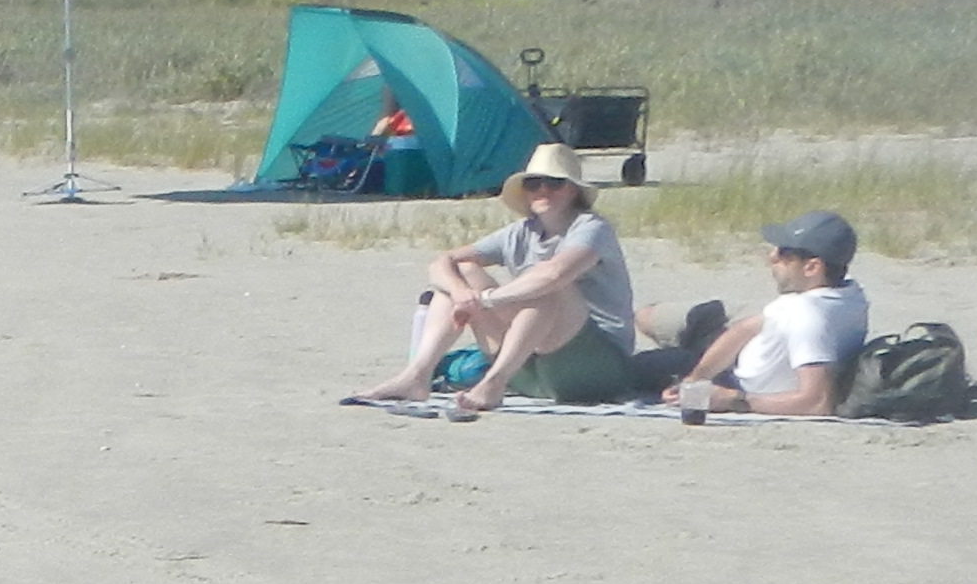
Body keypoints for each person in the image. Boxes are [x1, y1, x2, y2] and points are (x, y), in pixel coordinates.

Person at [354, 145, 641, 409]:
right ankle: (417, 375)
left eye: (554, 182)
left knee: (545, 286)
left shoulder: (592, 227)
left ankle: (493, 383)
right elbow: (442, 262)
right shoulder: (521, 232)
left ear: (573, 190)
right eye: (533, 183)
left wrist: (486, 300)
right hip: (531, 366)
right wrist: (461, 294)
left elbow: (554, 274)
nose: (543, 190)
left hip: (596, 367)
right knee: (463, 273)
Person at [660, 213, 869, 418]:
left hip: (738, 383)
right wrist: (698, 377)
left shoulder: (808, 315)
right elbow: (745, 329)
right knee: (650, 319)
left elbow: (816, 402)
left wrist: (732, 400)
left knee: (642, 367)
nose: (772, 258)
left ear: (812, 267)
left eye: (784, 255)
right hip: (730, 361)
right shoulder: (847, 293)